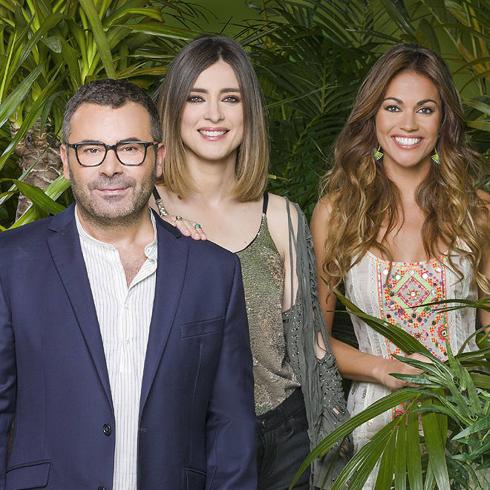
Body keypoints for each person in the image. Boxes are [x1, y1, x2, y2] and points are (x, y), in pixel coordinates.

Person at [0, 79, 257, 489]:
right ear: (66, 161)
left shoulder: (214, 273)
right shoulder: (11, 263)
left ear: (159, 158)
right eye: (91, 150)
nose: (110, 167)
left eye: (130, 148)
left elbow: (231, 428)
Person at [151, 36, 350, 490]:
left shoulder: (280, 215)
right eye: (196, 98)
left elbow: (312, 352)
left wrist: (332, 456)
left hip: (282, 437)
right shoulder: (145, 210)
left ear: (249, 112)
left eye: (230, 99)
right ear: (174, 109)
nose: (214, 115)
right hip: (184, 437)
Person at [311, 43, 490, 488]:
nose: (408, 124)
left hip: (467, 429)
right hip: (378, 433)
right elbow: (311, 342)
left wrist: (470, 399)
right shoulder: (338, 213)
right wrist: (379, 367)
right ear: (373, 117)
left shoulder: (479, 211)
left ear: (443, 121)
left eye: (424, 109)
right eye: (393, 107)